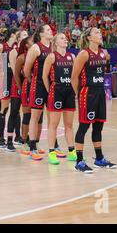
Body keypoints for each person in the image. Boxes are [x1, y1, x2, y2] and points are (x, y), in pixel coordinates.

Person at [71, 27, 117, 173]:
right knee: (84, 127)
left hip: (100, 92)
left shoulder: (103, 54)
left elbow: (105, 70)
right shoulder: (84, 54)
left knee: (98, 126)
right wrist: (78, 94)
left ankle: (99, 158)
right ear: (89, 38)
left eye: (100, 32)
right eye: (96, 33)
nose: (100, 34)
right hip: (87, 92)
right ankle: (79, 161)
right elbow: (74, 77)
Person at [42, 33, 77, 165]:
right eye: (62, 38)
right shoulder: (51, 57)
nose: (65, 40)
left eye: (66, 38)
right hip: (56, 92)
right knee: (53, 124)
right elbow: (44, 76)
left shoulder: (72, 57)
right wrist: (49, 90)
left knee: (69, 124)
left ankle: (72, 151)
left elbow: (75, 76)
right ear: (55, 43)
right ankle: (52, 152)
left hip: (69, 92)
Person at [23, 24, 53, 160]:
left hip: (51, 86)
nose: (50, 31)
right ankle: (32, 148)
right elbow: (26, 69)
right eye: (47, 29)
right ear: (41, 34)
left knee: (52, 117)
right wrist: (32, 80)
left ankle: (54, 146)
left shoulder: (53, 47)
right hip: (38, 86)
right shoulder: (36, 47)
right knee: (35, 117)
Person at [0, 29, 18, 150]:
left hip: (14, 78)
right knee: (4, 108)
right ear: (11, 35)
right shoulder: (1, 46)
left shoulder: (15, 48)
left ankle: (15, 137)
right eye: (15, 35)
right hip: (5, 79)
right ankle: (1, 137)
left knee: (14, 109)